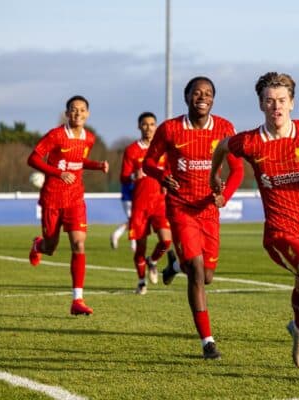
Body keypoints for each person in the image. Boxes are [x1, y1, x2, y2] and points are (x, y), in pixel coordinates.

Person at [210, 72, 299, 369]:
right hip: (281, 230)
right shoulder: (251, 142)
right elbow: (223, 146)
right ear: (261, 105)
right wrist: (216, 174)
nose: (275, 106)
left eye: (281, 100)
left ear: (291, 103)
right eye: (269, 101)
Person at [143, 76, 244, 359]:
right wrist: (163, 175)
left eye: (208, 93)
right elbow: (148, 162)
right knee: (198, 272)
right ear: (186, 97)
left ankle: (175, 264)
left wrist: (225, 196)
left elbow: (237, 170)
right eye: (197, 92)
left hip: (209, 211)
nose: (203, 97)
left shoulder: (224, 128)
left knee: (207, 276)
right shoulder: (170, 129)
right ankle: (207, 342)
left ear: (213, 99)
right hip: (181, 208)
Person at [27, 95, 109, 315]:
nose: (78, 113)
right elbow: (33, 159)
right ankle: (38, 245)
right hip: (52, 198)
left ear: (88, 114)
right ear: (67, 113)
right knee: (51, 247)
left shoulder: (89, 139)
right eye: (73, 110)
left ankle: (77, 300)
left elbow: (79, 162)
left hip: (75, 198)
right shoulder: (55, 135)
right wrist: (57, 173)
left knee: (79, 244)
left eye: (82, 110)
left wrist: (98, 165)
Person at [120, 112, 172, 295]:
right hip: (140, 205)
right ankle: (142, 281)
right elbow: (124, 178)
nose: (148, 127)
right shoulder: (131, 150)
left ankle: (153, 261)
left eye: (152, 124)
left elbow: (169, 171)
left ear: (156, 127)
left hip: (159, 203)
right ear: (139, 127)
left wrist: (168, 184)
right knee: (140, 247)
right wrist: (135, 175)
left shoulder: (163, 150)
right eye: (145, 124)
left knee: (166, 240)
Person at [109, 180, 136, 251]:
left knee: (132, 221)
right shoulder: (130, 170)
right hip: (129, 198)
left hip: (131, 198)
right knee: (133, 222)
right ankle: (133, 245)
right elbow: (125, 178)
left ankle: (116, 235)